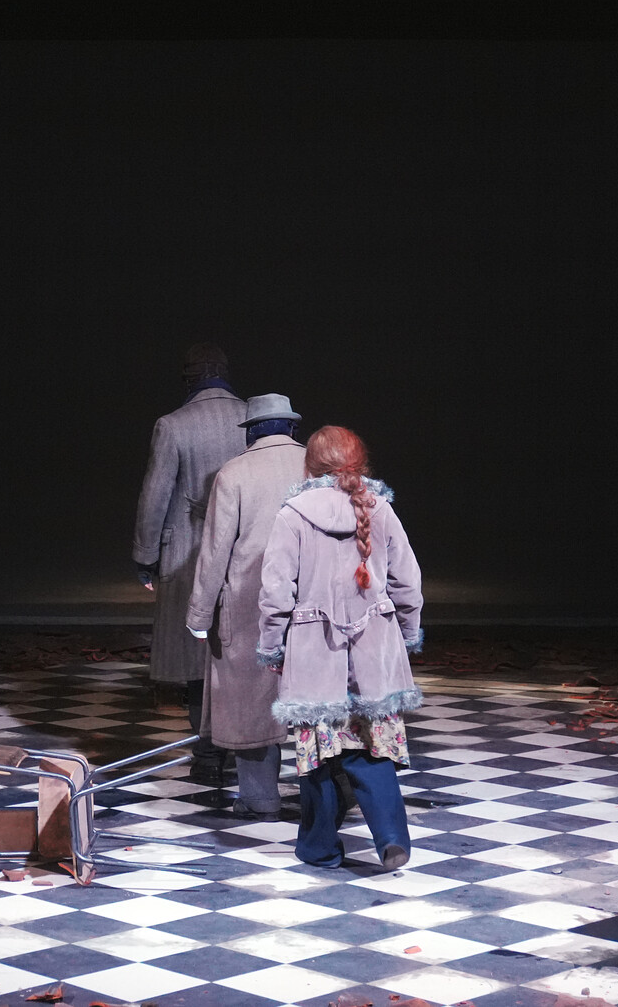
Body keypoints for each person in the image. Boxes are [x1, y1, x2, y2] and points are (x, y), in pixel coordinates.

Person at [257, 425, 425, 870]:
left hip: (315, 653)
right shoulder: (380, 508)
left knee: (319, 753)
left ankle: (320, 847)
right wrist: (406, 635)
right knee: (372, 746)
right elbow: (408, 584)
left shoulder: (293, 514)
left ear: (309, 465)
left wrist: (273, 648)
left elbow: (275, 594)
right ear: (360, 463)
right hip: (374, 651)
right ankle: (390, 837)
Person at [184, 394, 307, 819]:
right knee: (318, 698)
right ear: (290, 427)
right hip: (310, 601)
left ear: (253, 430)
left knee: (249, 700)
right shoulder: (317, 467)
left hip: (249, 602)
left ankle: (260, 797)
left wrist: (199, 615)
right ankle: (330, 791)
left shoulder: (234, 472)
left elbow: (216, 549)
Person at [132, 343, 246, 785]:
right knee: (236, 653)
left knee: (195, 656)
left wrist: (144, 555)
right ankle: (242, 748)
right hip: (242, 548)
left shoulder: (173, 425)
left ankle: (207, 753)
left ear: (188, 380)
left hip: (187, 549)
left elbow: (155, 495)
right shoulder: (252, 419)